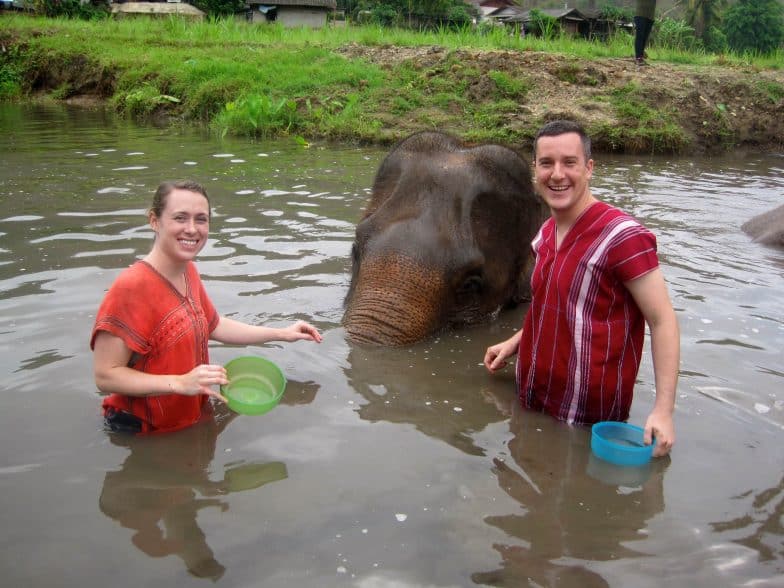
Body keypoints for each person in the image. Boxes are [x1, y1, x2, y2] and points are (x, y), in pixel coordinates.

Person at [483, 120, 679, 457]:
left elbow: (663, 321)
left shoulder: (624, 237)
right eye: (547, 163)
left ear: (589, 168)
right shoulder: (545, 234)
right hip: (532, 397)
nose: (557, 174)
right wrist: (516, 341)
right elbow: (553, 301)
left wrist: (663, 411)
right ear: (535, 170)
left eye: (569, 163)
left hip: (589, 418)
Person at [91, 180, 322, 434]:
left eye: (201, 219)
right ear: (154, 221)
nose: (192, 229)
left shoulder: (188, 270)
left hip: (185, 418)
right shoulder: (131, 288)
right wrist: (179, 382)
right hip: (142, 430)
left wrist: (281, 333)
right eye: (180, 218)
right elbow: (105, 376)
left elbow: (215, 325)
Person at [634, 0, 657, 66]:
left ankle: (641, 57)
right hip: (640, 14)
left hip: (650, 15)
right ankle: (638, 58)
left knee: (645, 37)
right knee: (640, 36)